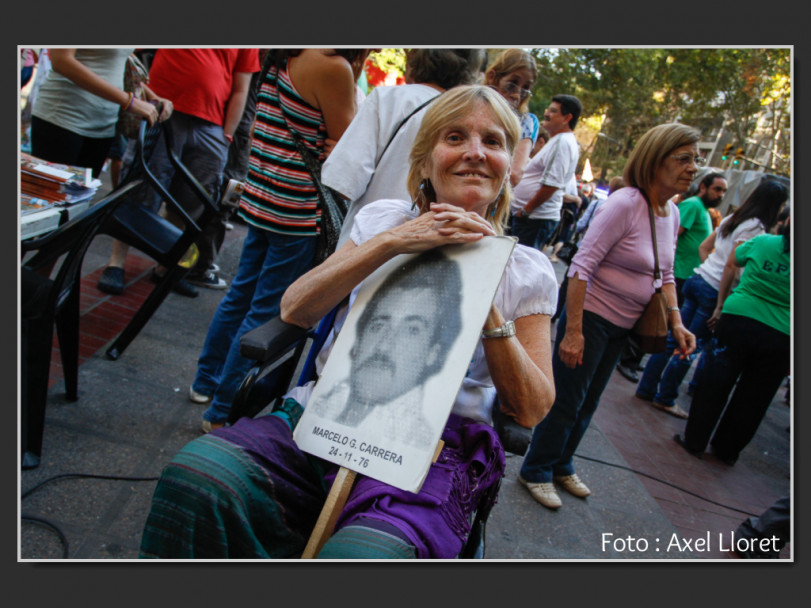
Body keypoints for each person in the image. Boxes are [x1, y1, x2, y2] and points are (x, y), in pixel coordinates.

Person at [140, 85, 558, 559]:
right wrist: (394, 241)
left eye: (493, 142)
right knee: (199, 477)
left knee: (365, 554)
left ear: (507, 170)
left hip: (438, 452)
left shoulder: (526, 270)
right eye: (455, 136)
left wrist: (483, 293)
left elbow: (532, 409)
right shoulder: (383, 221)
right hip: (329, 413)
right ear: (423, 161)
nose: (475, 153)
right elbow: (294, 309)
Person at [519, 123, 698, 510]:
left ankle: (562, 463)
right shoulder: (625, 203)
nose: (693, 168)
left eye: (695, 160)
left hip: (625, 324)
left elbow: (665, 275)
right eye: (683, 159)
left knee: (588, 402)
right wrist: (573, 332)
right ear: (656, 159)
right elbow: (582, 265)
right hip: (592, 319)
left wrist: (678, 321)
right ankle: (536, 469)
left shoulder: (673, 212)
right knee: (567, 398)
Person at [190, 49, 369, 433]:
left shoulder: (288, 50)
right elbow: (348, 144)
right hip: (294, 208)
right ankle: (221, 413)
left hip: (261, 196)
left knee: (239, 296)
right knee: (266, 311)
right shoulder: (334, 67)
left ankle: (205, 383)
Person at [96, 48, 260, 297]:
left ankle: (166, 266)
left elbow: (241, 87)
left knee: (191, 202)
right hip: (161, 111)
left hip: (212, 125)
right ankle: (116, 262)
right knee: (139, 189)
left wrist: (226, 134)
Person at [636, 179, 789, 417]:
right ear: (775, 205)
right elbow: (733, 265)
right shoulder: (755, 227)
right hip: (714, 289)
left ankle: (647, 388)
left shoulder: (734, 218)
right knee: (689, 345)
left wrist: (710, 269)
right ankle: (665, 397)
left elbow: (704, 247)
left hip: (700, 279)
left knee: (673, 339)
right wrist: (721, 302)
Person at [322, 48, 487, 245]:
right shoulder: (470, 116)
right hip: (435, 248)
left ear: (416, 59)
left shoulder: (386, 99)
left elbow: (344, 183)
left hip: (365, 246)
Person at [312, 250, 463, 449]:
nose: (384, 345)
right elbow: (291, 309)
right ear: (357, 340)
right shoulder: (316, 405)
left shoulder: (416, 444)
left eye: (411, 330)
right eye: (378, 326)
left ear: (432, 353)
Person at [674, 211, 790, 465]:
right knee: (756, 396)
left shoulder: (763, 242)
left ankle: (695, 440)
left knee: (715, 382)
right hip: (782, 333)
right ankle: (727, 451)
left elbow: (733, 260)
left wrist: (720, 304)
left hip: (740, 319)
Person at [30, 48, 170, 179]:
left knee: (82, 201)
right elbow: (61, 61)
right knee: (54, 200)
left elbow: (116, 63)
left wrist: (152, 96)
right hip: (63, 120)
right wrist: (128, 101)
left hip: (103, 127)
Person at [510, 94, 582, 252]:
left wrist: (526, 210)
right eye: (548, 109)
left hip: (534, 220)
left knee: (519, 266)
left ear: (567, 118)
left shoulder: (562, 142)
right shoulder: (559, 141)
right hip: (532, 219)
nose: (546, 114)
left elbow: (551, 184)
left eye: (553, 111)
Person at [483, 49, 540, 186]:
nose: (516, 95)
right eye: (512, 84)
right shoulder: (468, 105)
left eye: (525, 89)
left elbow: (514, 174)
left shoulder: (526, 122)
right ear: (493, 77)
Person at [672, 172, 728, 304]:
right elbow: (671, 235)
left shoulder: (704, 209)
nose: (721, 195)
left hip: (688, 275)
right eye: (717, 189)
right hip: (677, 273)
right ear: (703, 187)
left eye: (724, 191)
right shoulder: (693, 205)